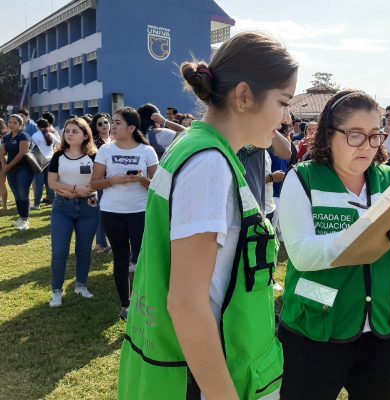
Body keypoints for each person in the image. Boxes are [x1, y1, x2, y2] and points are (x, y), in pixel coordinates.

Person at [118, 31, 298, 400]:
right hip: (209, 378)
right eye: (283, 102)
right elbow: (187, 304)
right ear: (244, 95)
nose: (285, 117)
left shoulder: (198, 146)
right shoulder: (210, 164)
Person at [277, 90, 390, 400]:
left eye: (375, 136)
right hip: (317, 326)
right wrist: (365, 237)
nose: (367, 146)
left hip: (385, 327)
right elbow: (301, 253)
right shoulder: (303, 179)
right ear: (329, 135)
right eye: (355, 135)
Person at [90, 107, 159, 321]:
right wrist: (112, 180)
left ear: (131, 128)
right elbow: (93, 182)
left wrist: (140, 180)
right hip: (112, 212)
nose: (113, 126)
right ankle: (126, 305)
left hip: (139, 212)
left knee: (141, 257)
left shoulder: (147, 151)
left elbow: (157, 186)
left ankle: (145, 299)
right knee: (120, 258)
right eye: (113, 122)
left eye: (118, 123)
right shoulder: (105, 150)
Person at [47, 117, 99, 307]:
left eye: (75, 131)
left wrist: (66, 188)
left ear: (86, 135)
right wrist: (76, 189)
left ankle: (81, 285)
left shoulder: (94, 156)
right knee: (59, 251)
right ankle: (57, 291)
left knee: (84, 250)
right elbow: (52, 183)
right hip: (62, 208)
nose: (69, 134)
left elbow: (97, 182)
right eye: (67, 130)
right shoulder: (58, 156)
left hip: (90, 207)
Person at [1, 114, 33, 230]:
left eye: (15, 123)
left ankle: (25, 220)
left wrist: (8, 166)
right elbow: (2, 152)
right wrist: (4, 166)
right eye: (10, 122)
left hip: (24, 169)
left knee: (23, 193)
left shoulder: (24, 136)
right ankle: (21, 217)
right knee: (16, 194)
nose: (11, 124)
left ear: (21, 125)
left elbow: (22, 153)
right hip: (11, 170)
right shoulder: (6, 137)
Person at [90, 113, 112, 253]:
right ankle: (101, 244)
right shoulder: (95, 142)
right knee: (101, 213)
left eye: (106, 122)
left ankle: (102, 243)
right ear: (96, 128)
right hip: (100, 181)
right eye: (100, 124)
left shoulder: (114, 139)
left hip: (113, 181)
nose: (104, 125)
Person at [31, 118, 60, 209]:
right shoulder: (50, 134)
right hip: (51, 160)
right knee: (50, 183)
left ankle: (36, 204)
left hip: (39, 160)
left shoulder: (35, 135)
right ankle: (52, 201)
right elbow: (59, 142)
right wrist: (54, 132)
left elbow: (32, 148)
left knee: (39, 184)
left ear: (37, 126)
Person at [0, 118, 9, 210]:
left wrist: (3, 165)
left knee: (2, 185)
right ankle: (5, 206)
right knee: (2, 184)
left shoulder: (3, 138)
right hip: (2, 162)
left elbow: (1, 154)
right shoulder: (5, 137)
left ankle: (5, 205)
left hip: (1, 162)